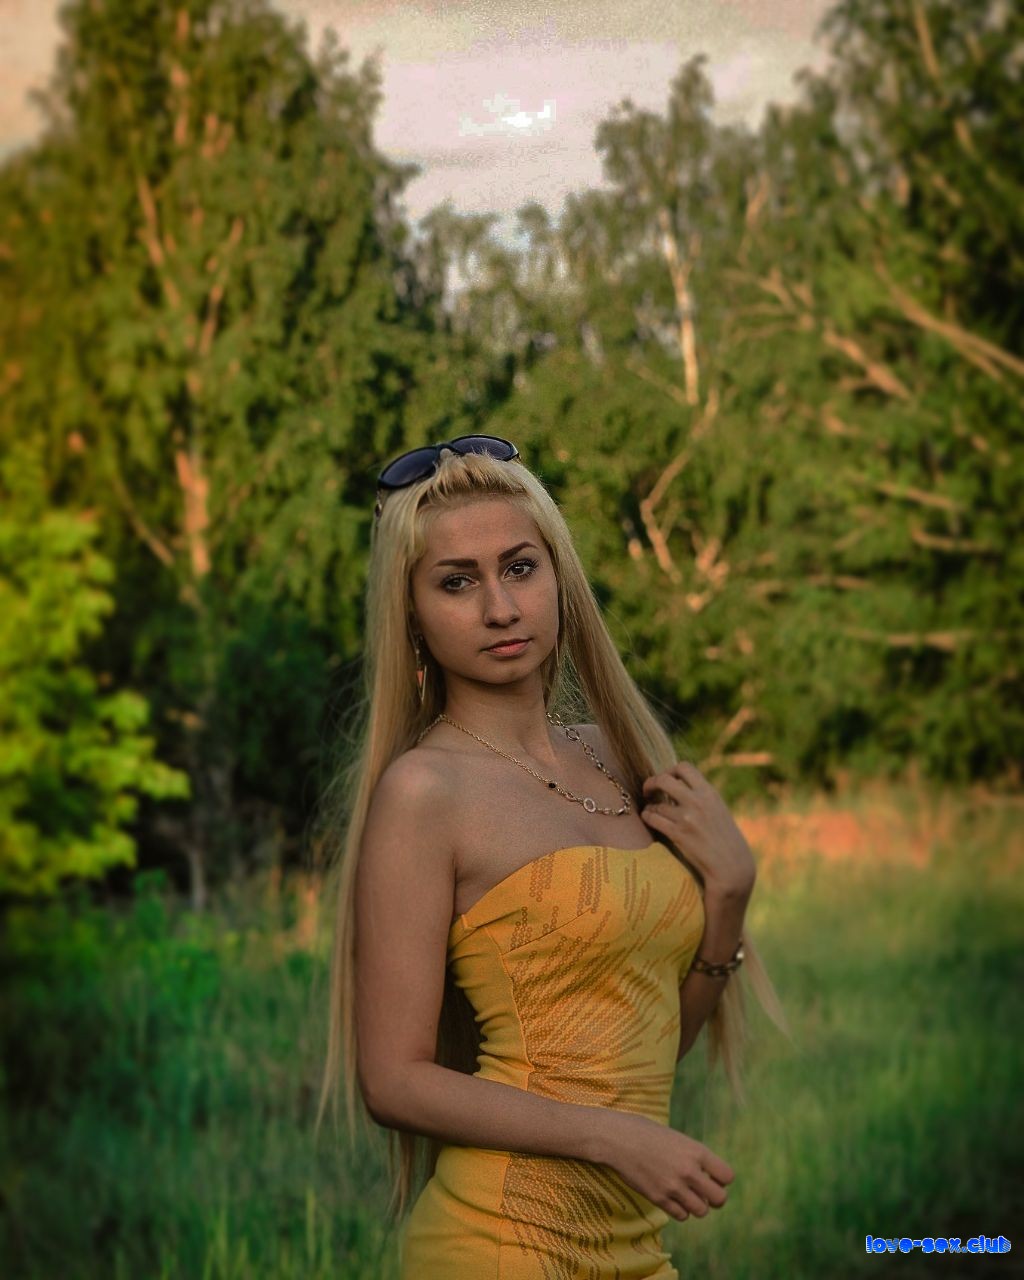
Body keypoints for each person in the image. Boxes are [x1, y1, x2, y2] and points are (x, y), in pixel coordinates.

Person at [315, 436, 788, 1278]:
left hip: (634, 1247)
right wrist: (612, 1139)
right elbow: (392, 1081)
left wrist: (729, 900)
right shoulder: (424, 792)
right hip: (498, 1243)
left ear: (559, 578)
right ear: (412, 615)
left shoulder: (616, 754)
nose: (501, 607)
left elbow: (644, 1043)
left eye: (520, 568)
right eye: (457, 582)